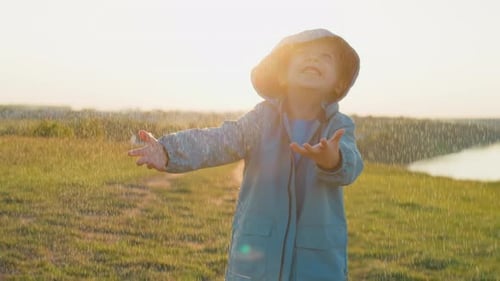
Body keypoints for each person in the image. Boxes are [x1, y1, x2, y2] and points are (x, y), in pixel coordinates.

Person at [128, 28, 364, 281]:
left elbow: (351, 164)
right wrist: (168, 150)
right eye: (303, 55)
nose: (313, 60)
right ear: (282, 73)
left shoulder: (339, 126)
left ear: (339, 82)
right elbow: (221, 139)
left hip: (316, 263)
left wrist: (333, 160)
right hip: (259, 256)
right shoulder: (261, 120)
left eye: (325, 57)